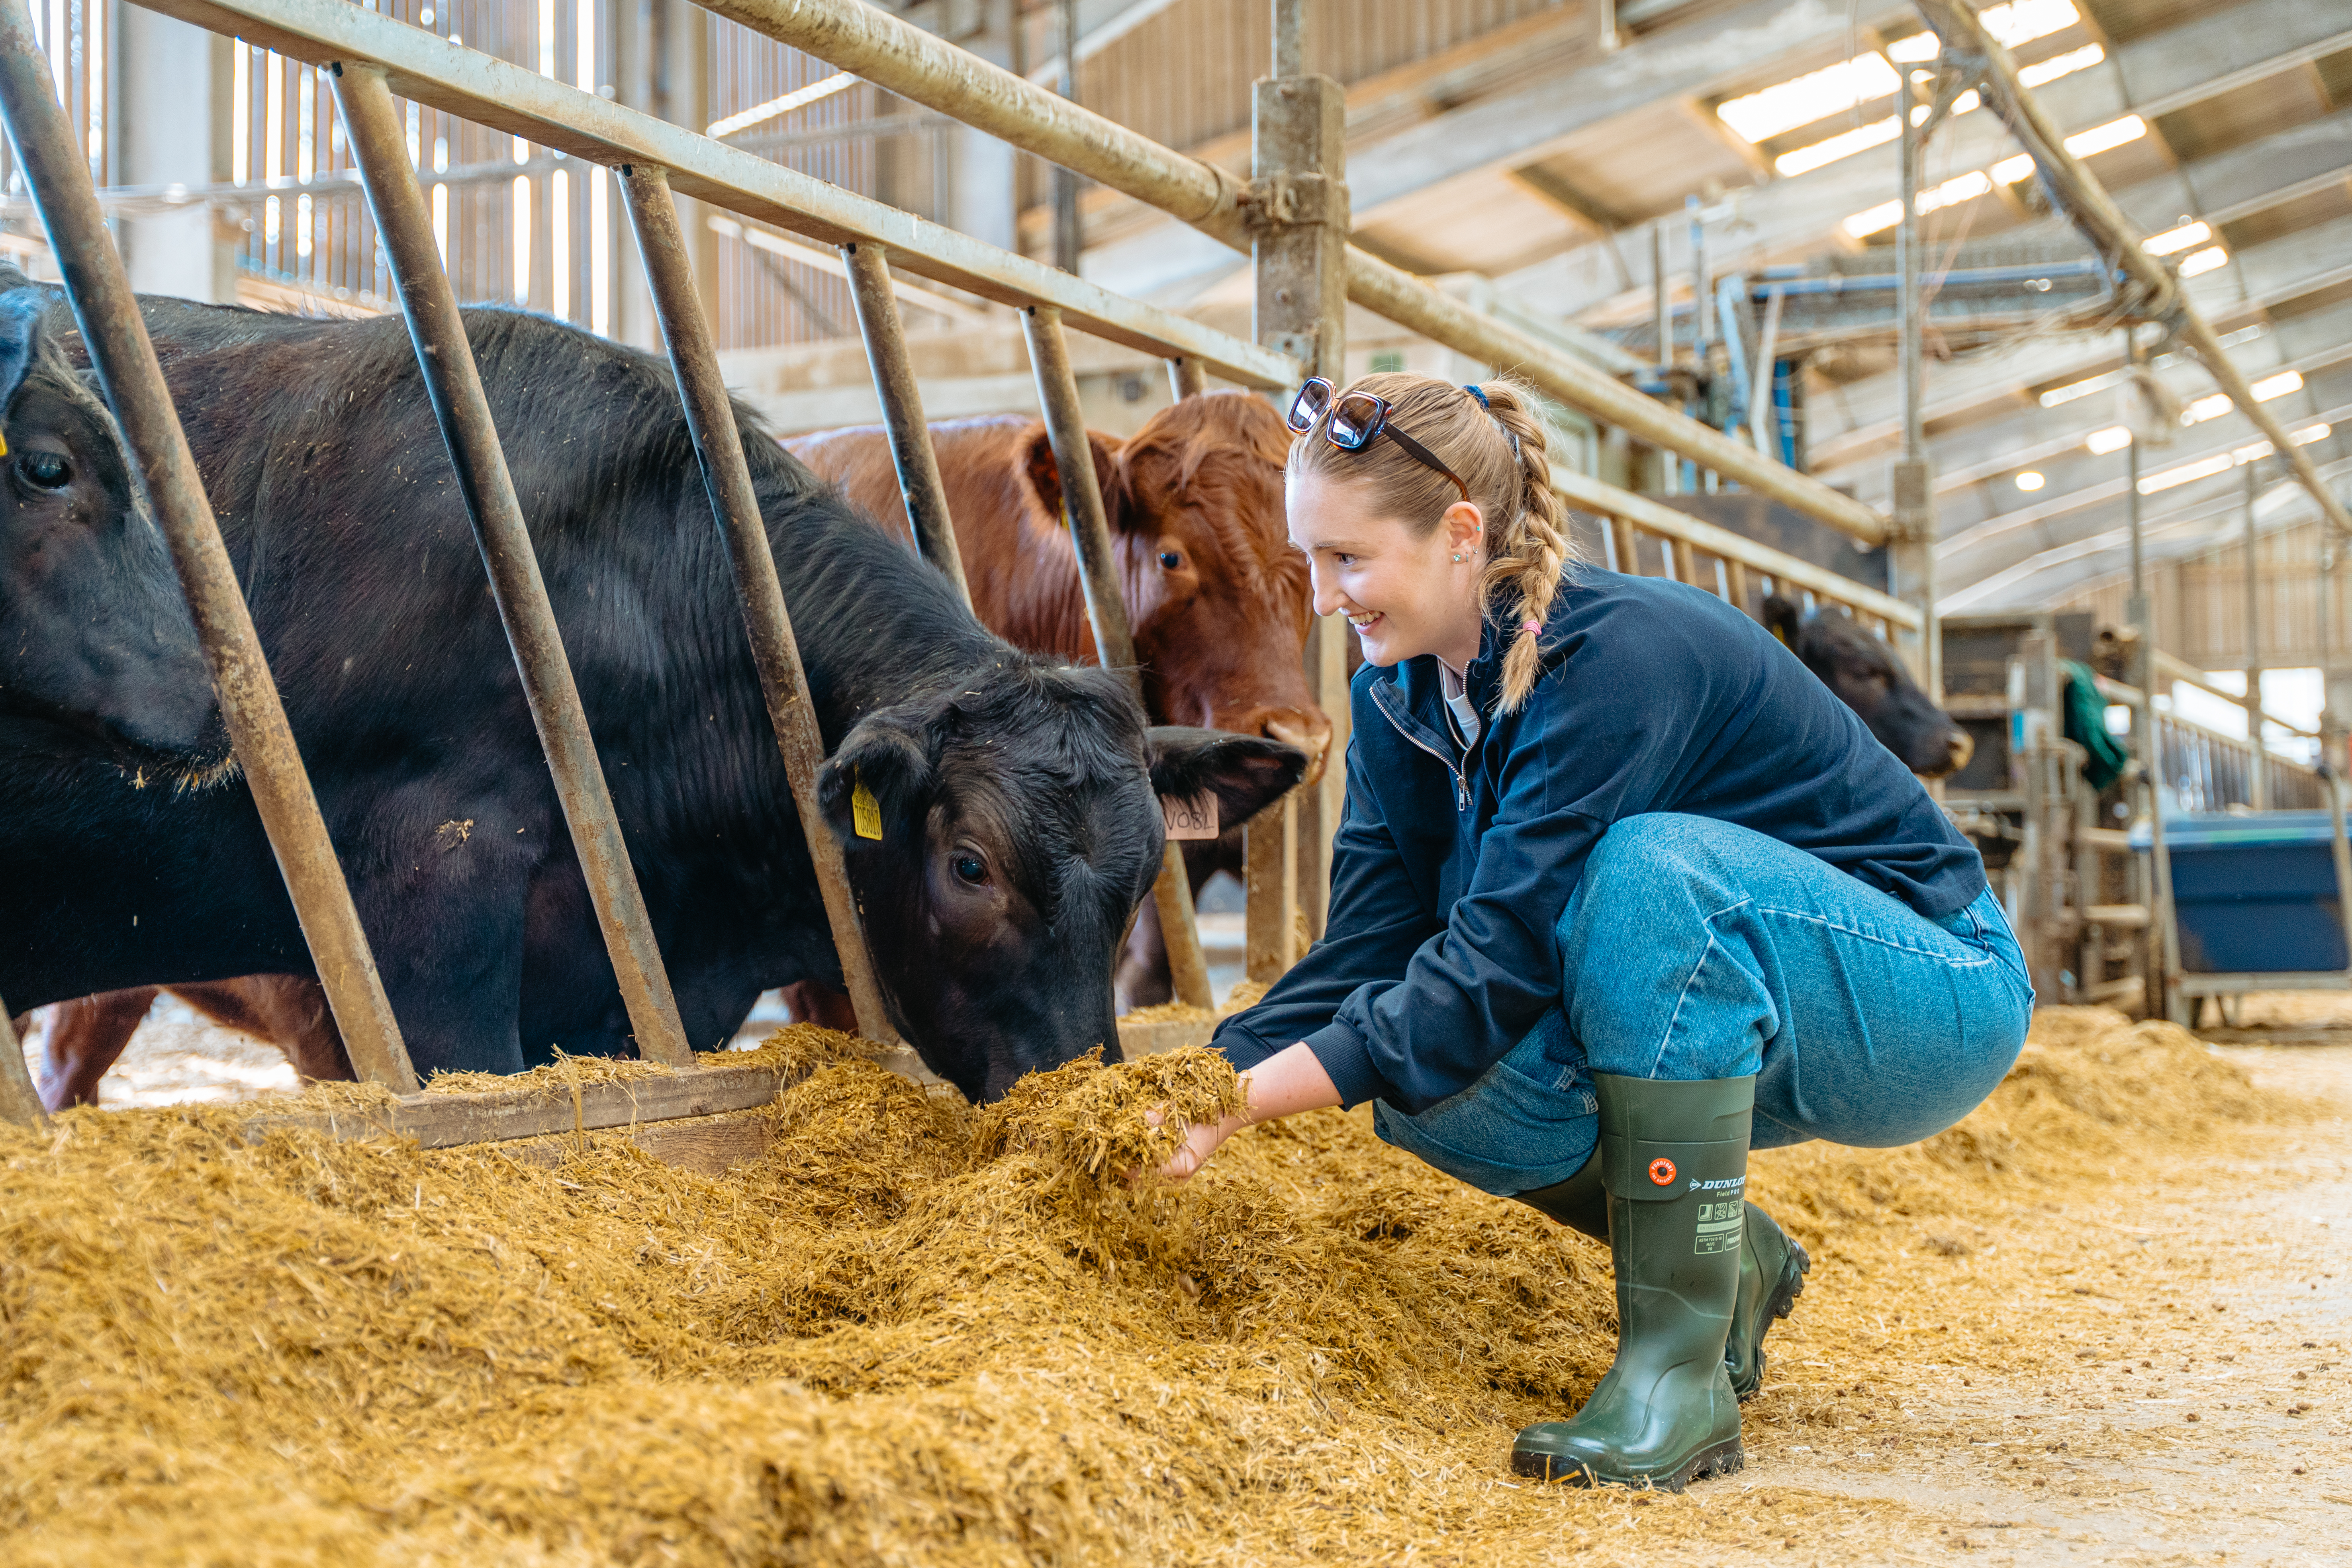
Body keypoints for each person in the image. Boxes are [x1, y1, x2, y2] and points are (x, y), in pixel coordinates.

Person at [1163, 371, 2033, 1492]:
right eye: (1310, 563)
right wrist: (1195, 1084)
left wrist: (1245, 1104)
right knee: (1430, 1082)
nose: (1324, 599)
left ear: (1459, 535)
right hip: (1748, 1008)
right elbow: (1374, 948)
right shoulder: (1400, 694)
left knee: (1649, 875)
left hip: (1931, 990)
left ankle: (1678, 1379)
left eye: (1347, 559)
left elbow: (1499, 958)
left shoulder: (1615, 659)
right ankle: (1728, 1255)